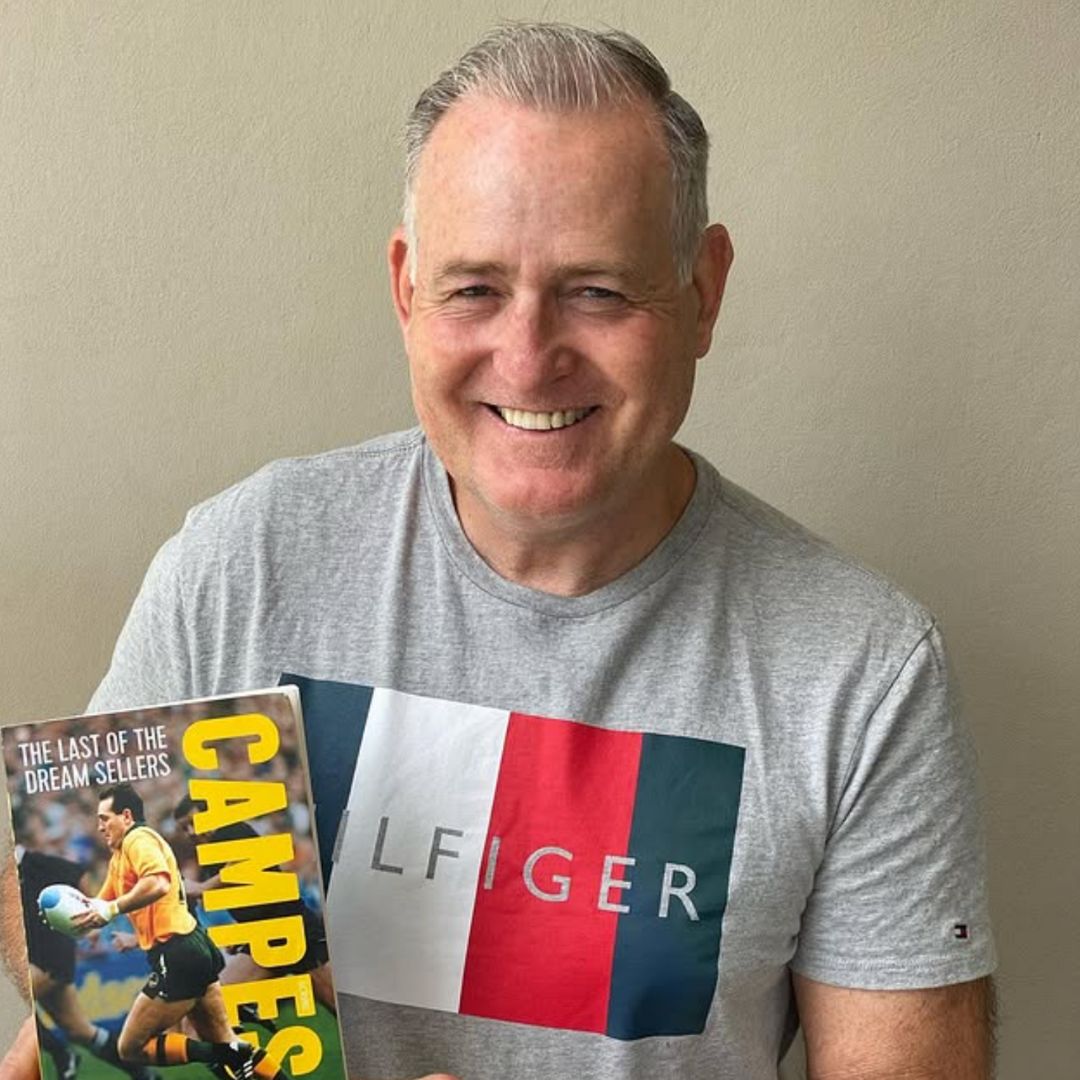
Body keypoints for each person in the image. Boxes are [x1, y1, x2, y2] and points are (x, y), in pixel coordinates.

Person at [3, 22, 996, 1080]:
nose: (528, 357)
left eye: (598, 291)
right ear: (405, 290)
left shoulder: (860, 668)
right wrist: (71, 973)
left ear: (701, 292)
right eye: (474, 288)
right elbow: (54, 952)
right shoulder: (244, 563)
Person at [73, 784, 287, 1080]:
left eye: (104, 818)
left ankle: (230, 1054)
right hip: (192, 948)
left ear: (126, 816)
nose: (99, 827)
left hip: (177, 955)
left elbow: (158, 883)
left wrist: (109, 912)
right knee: (224, 1040)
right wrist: (79, 918)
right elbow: (102, 903)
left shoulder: (140, 840)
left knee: (130, 1047)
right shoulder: (119, 857)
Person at [172, 795, 336, 1017]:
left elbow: (242, 862)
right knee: (213, 1003)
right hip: (266, 938)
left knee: (341, 1010)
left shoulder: (231, 831)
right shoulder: (210, 852)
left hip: (293, 931)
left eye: (194, 822)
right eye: (184, 828)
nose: (191, 831)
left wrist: (202, 888)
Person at [15, 844, 160, 1080]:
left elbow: (78, 873)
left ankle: (60, 1053)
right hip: (35, 958)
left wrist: (90, 915)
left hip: (50, 955)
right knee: (78, 1030)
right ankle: (143, 1073)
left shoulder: (35, 863)